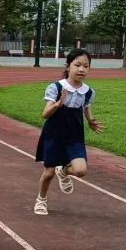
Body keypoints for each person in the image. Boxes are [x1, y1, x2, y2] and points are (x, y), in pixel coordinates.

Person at [33, 48, 104, 216]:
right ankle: (41, 199)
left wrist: (90, 121)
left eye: (86, 66)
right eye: (77, 65)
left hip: (74, 135)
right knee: (48, 173)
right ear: (68, 67)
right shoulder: (56, 87)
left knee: (80, 170)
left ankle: (63, 171)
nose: (81, 69)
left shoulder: (88, 91)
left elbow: (86, 108)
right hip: (54, 133)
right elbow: (44, 114)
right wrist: (57, 105)